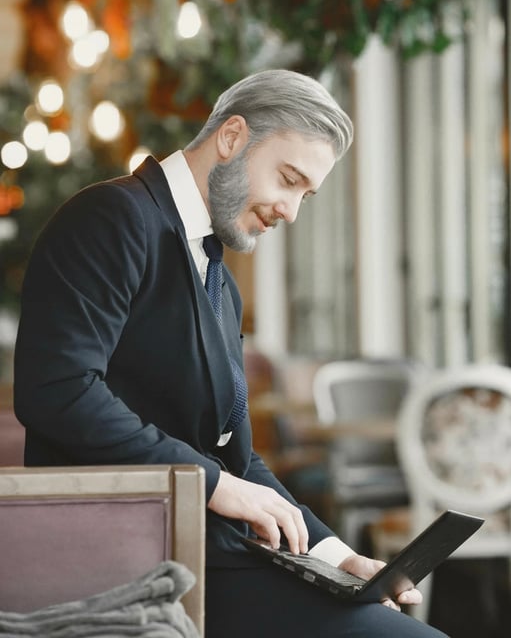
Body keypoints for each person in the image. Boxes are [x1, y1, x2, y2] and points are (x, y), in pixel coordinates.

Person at [14, 70, 448, 638]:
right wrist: (214, 485)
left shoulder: (219, 276)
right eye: (288, 180)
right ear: (232, 137)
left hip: (202, 555)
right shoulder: (111, 218)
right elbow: (58, 390)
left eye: (305, 194)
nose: (291, 211)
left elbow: (236, 459)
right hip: (125, 559)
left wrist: (337, 557)